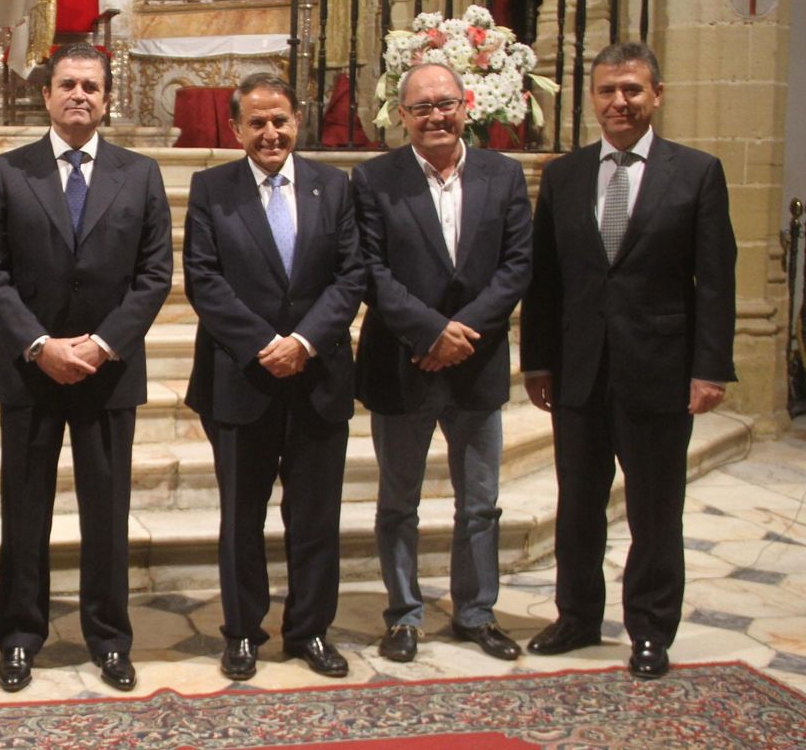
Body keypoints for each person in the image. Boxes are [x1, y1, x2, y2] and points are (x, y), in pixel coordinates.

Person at [521, 41, 736, 679]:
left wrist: (709, 368)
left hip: (660, 370)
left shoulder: (696, 172)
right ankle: (577, 616)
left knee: (653, 509)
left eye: (633, 90)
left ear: (657, 96)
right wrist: (538, 362)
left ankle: (649, 628)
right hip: (581, 370)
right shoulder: (564, 175)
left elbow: (716, 280)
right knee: (578, 503)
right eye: (608, 91)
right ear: (593, 99)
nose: (620, 102)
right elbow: (546, 280)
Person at [0, 43, 172, 693]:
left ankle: (109, 638)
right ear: (48, 96)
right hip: (31, 373)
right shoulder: (9, 172)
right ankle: (20, 636)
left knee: (106, 513)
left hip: (107, 373)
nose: (79, 94)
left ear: (107, 98)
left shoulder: (139, 175)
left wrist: (102, 344)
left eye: (91, 85)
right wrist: (40, 345)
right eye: (68, 85)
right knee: (24, 512)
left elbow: (153, 274)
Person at [182, 72, 364, 681]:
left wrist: (305, 341)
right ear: (235, 128)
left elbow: (351, 275)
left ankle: (310, 629)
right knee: (242, 517)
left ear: (297, 122)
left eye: (280, 120)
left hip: (319, 377)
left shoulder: (332, 187)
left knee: (315, 515)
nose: (270, 132)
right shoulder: (212, 189)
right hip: (242, 378)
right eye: (256, 122)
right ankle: (242, 631)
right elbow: (204, 279)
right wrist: (266, 344)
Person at [351, 62, 532, 664]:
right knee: (399, 503)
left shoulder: (503, 176)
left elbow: (516, 266)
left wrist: (463, 333)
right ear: (402, 116)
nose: (435, 116)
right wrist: (430, 332)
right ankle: (403, 614)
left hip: (476, 364)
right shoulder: (374, 179)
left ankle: (476, 613)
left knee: (479, 502)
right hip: (403, 362)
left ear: (466, 105)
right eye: (421, 107)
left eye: (444, 103)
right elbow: (369, 271)